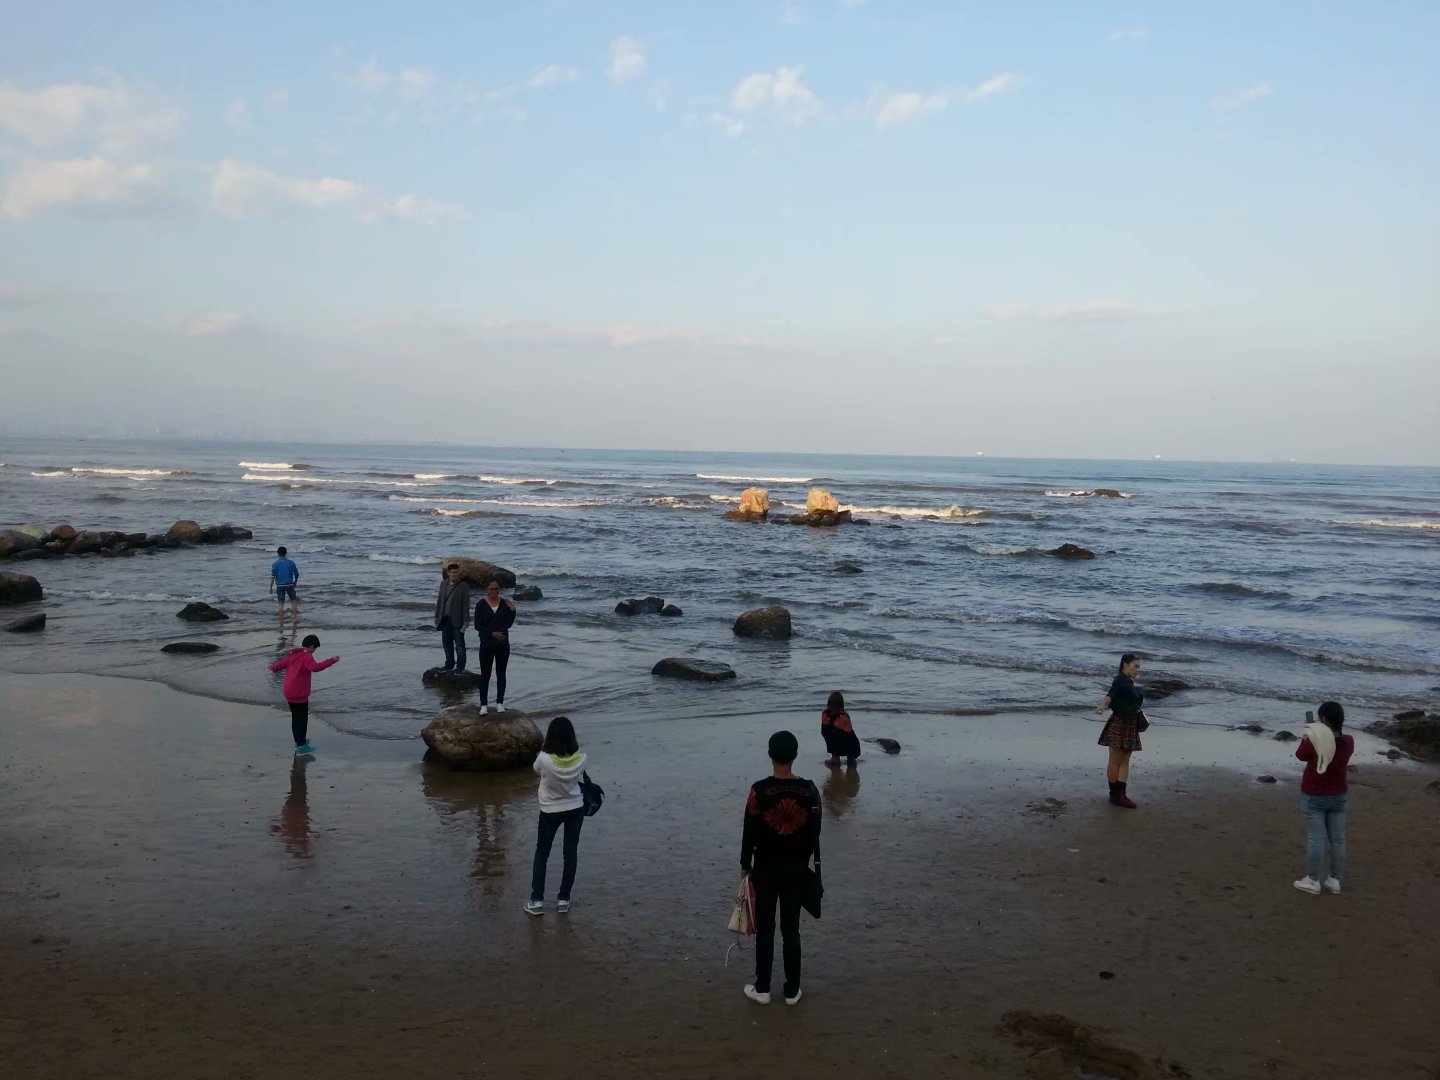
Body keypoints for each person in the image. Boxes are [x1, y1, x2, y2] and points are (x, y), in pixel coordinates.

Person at [741, 730, 821, 1007]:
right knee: (791, 929)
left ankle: (763, 988)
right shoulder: (810, 790)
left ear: (770, 754)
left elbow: (749, 831)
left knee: (765, 929)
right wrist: (802, 858)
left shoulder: (759, 790)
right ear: (795, 755)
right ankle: (791, 991)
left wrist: (745, 865)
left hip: (764, 868)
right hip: (796, 868)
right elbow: (815, 832)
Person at [526, 716, 588, 916]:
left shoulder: (544, 759)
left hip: (550, 810)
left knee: (542, 853)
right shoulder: (581, 758)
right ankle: (564, 900)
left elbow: (535, 770)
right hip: (575, 807)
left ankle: (536, 901)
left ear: (550, 736)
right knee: (570, 852)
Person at [1294, 701, 1354, 896]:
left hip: (1315, 794)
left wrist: (1308, 734)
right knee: (1338, 840)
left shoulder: (1314, 741)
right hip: (1339, 796)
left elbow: (1300, 755)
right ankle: (1335, 879)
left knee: (1316, 839)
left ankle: (1313, 879)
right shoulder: (1349, 741)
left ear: (1324, 720)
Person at [268, 633, 339, 756]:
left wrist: (273, 667)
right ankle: (301, 746)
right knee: (302, 719)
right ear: (311, 646)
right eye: (315, 648)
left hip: (289, 691)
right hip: (299, 693)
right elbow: (315, 667)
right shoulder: (307, 656)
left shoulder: (293, 654)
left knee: (296, 718)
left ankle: (300, 741)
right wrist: (331, 660)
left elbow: (276, 666)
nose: (314, 651)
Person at [1094, 653, 1145, 808]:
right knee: (1115, 760)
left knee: (1125, 760)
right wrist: (1102, 705)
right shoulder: (1120, 680)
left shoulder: (1128, 681)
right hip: (1121, 722)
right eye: (1135, 666)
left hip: (1130, 723)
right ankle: (1115, 795)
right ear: (1125, 664)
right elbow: (1111, 694)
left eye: (1139, 667)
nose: (1138, 669)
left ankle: (1120, 794)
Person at [474, 578, 516, 712]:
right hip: (487, 643)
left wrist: (513, 610)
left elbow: (508, 624)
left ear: (500, 589)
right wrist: (492, 634)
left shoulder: (504, 604)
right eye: (491, 589)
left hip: (502, 644)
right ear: (487, 589)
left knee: (501, 673)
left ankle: (500, 703)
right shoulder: (481, 604)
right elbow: (477, 625)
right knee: (485, 674)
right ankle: (484, 705)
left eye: (496, 589)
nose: (494, 591)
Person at [434, 563, 472, 671]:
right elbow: (439, 601)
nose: (455, 574)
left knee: (459, 645)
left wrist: (466, 620)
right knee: (447, 644)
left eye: (457, 572)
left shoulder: (463, 586)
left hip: (457, 619)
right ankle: (449, 664)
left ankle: (460, 666)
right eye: (453, 572)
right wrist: (436, 616)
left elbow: (466, 604)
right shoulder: (443, 584)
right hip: (444, 618)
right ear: (448, 573)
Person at [821, 690, 861, 767]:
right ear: (841, 704)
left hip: (833, 742)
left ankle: (835, 757)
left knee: (831, 734)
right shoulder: (844, 716)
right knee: (847, 738)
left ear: (829, 702)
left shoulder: (825, 714)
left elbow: (824, 730)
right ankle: (850, 759)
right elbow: (850, 733)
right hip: (848, 744)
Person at [269, 546, 300, 628]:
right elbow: (296, 574)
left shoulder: (275, 564)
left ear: (278, 553)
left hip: (280, 585)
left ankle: (281, 621)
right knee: (293, 601)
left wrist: (270, 587)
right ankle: (294, 618)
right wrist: (295, 582)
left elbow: (273, 577)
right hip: (290, 584)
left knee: (281, 603)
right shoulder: (291, 563)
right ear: (286, 553)